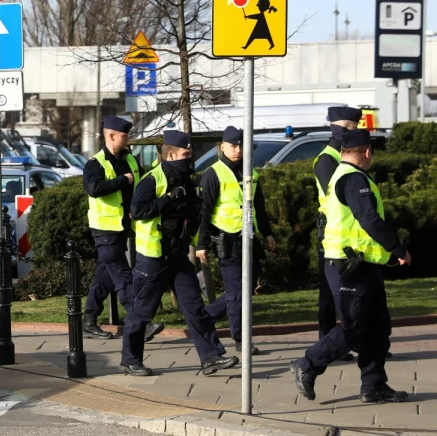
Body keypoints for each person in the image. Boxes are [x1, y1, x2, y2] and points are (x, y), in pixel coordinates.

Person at [292, 129, 411, 404]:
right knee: (354, 327)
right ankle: (307, 364)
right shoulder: (353, 178)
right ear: (367, 152)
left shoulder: (343, 175)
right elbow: (369, 218)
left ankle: (374, 386)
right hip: (348, 266)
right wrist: (398, 249)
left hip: (363, 264)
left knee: (377, 327)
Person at [121, 130, 238, 377]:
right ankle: (130, 360)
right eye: (185, 154)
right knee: (142, 311)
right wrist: (166, 199)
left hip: (178, 256)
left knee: (195, 307)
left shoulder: (186, 179)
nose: (189, 158)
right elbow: (137, 211)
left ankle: (211, 357)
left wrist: (201, 238)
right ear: (171, 155)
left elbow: (193, 214)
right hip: (153, 257)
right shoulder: (153, 179)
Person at [82, 116, 163, 341]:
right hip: (104, 229)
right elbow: (93, 188)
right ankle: (140, 324)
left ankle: (88, 320)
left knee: (105, 276)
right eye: (124, 136)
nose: (128, 139)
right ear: (111, 136)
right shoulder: (95, 164)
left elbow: (141, 185)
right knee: (122, 276)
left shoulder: (130, 160)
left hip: (122, 227)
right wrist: (123, 180)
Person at [196, 126, 275, 356]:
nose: (238, 150)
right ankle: (241, 339)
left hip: (249, 238)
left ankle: (206, 317)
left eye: (241, 146)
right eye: (233, 146)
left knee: (243, 288)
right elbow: (204, 212)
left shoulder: (250, 172)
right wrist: (201, 244)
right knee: (237, 291)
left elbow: (259, 206)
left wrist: (267, 233)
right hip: (227, 240)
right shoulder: (213, 173)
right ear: (222, 147)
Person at [314, 106, 362, 360]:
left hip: (345, 231)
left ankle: (349, 342)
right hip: (332, 234)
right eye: (353, 127)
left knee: (346, 293)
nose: (355, 131)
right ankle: (328, 344)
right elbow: (336, 196)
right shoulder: (327, 159)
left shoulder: (343, 155)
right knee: (330, 295)